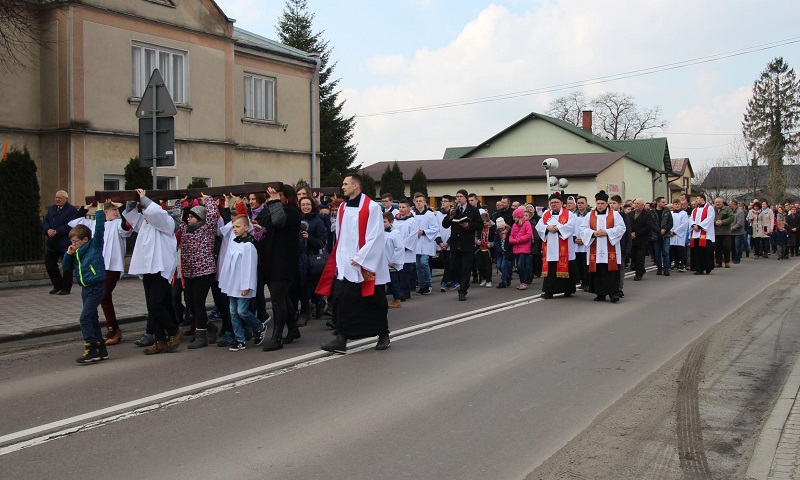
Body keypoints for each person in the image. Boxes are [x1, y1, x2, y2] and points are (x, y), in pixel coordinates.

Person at [316, 174, 391, 353]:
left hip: (367, 262)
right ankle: (342, 338)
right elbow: (340, 235)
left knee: (374, 299)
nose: (342, 187)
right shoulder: (343, 206)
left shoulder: (372, 207)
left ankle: (383, 334)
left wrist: (361, 257)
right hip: (347, 263)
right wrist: (339, 260)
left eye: (345, 184)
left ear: (355, 186)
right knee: (341, 298)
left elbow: (376, 236)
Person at [124, 189, 182, 354]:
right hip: (147, 268)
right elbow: (131, 216)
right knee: (153, 305)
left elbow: (157, 214)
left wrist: (144, 199)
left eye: (146, 208)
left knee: (156, 304)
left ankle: (173, 331)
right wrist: (131, 200)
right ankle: (160, 340)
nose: (145, 211)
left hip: (161, 268)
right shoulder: (145, 223)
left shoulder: (167, 222)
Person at [68, 200, 133, 345]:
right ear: (105, 212)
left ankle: (113, 329)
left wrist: (121, 207)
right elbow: (74, 222)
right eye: (113, 209)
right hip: (96, 266)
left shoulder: (117, 224)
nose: (116, 212)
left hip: (112, 266)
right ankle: (102, 330)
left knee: (104, 295)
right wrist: (85, 208)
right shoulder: (94, 224)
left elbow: (126, 226)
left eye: (117, 210)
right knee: (95, 298)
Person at [63, 203, 109, 363]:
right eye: (71, 241)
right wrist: (69, 254)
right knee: (92, 318)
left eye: (75, 241)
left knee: (85, 318)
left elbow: (100, 229)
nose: (73, 243)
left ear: (85, 240)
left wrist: (99, 210)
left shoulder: (94, 246)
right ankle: (101, 349)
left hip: (96, 286)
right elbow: (66, 268)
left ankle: (91, 348)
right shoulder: (76, 253)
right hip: (85, 288)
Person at [259, 184, 302, 351]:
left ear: (288, 197)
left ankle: (277, 338)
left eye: (279, 195)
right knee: (283, 298)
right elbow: (263, 220)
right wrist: (272, 203)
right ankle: (293, 329)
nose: (275, 198)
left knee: (277, 301)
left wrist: (275, 202)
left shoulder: (292, 213)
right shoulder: (273, 209)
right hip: (271, 262)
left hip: (284, 264)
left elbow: (278, 221)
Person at [218, 213, 266, 351]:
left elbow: (249, 267)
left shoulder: (248, 245)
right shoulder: (233, 242)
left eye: (238, 226)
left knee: (242, 311)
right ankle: (239, 339)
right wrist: (224, 281)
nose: (235, 229)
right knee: (233, 311)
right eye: (233, 227)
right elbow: (227, 263)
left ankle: (259, 326)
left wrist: (246, 285)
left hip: (242, 284)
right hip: (232, 283)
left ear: (246, 227)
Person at [178, 193, 220, 349]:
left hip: (204, 271)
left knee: (198, 303)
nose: (188, 219)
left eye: (192, 216)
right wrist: (180, 204)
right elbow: (177, 219)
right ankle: (209, 327)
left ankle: (201, 335)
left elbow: (213, 215)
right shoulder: (185, 229)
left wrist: (207, 200)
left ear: (200, 217)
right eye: (188, 216)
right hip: (189, 272)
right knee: (189, 302)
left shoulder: (207, 228)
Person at [578, 191, 626, 303]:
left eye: (602, 203)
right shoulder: (589, 215)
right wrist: (593, 233)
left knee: (611, 272)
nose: (600, 206)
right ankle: (600, 294)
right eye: (598, 203)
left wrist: (607, 232)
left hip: (610, 248)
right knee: (598, 271)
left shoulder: (615, 215)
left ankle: (613, 293)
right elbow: (582, 229)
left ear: (607, 203)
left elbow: (621, 228)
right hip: (595, 248)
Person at [442, 189, 482, 301]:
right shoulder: (453, 210)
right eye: (457, 197)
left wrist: (468, 225)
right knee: (453, 267)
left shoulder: (473, 210)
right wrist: (450, 217)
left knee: (466, 269)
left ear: (465, 198)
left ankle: (462, 291)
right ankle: (461, 282)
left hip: (467, 244)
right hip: (455, 244)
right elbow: (445, 224)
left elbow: (479, 224)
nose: (458, 199)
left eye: (461, 196)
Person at [536, 193, 578, 299]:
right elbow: (539, 226)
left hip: (565, 246)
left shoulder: (569, 214)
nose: (554, 204)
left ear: (562, 203)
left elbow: (571, 226)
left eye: (556, 202)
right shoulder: (546, 214)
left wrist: (558, 228)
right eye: (552, 202)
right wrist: (547, 227)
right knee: (551, 270)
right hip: (550, 247)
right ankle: (549, 291)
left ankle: (568, 290)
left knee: (567, 267)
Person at [42, 190, 78, 295]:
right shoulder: (52, 208)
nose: (57, 199)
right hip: (53, 242)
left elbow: (71, 225)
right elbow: (45, 221)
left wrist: (57, 231)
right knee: (49, 264)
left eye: (60, 198)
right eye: (56, 197)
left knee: (66, 265)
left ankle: (66, 288)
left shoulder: (71, 210)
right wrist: (48, 230)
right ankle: (57, 285)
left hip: (65, 242)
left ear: (66, 199)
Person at [412, 193, 439, 295]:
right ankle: (421, 285)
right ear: (414, 202)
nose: (418, 203)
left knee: (424, 262)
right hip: (416, 242)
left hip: (426, 242)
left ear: (424, 202)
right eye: (417, 201)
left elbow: (435, 228)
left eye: (420, 201)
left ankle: (428, 283)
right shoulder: (412, 214)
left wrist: (423, 232)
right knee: (418, 265)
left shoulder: (429, 214)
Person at [627, 198, 655, 281]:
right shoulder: (630, 214)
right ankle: (641, 269)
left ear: (642, 205)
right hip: (632, 240)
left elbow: (648, 226)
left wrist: (636, 233)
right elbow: (627, 225)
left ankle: (638, 273)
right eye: (635, 203)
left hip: (642, 239)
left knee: (640, 257)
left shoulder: (647, 214)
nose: (636, 205)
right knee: (633, 256)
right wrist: (630, 233)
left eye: (638, 203)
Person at [609, 195, 631, 298]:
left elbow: (627, 233)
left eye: (614, 203)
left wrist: (627, 248)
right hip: (610, 245)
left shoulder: (623, 216)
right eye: (611, 203)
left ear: (620, 205)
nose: (612, 205)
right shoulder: (607, 215)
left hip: (621, 245)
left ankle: (619, 288)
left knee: (620, 267)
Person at [689, 193, 716, 275]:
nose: (696, 200)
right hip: (696, 233)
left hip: (705, 233)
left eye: (697, 198)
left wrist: (700, 226)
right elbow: (690, 218)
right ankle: (699, 268)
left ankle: (708, 267)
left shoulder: (709, 208)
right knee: (697, 252)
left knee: (706, 251)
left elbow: (709, 218)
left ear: (702, 199)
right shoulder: (695, 210)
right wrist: (693, 225)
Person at [434, 194, 456, 292]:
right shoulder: (438, 215)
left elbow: (454, 230)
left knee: (452, 264)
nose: (443, 203)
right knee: (447, 264)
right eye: (442, 201)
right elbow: (436, 229)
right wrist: (440, 242)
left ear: (451, 203)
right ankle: (447, 281)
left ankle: (446, 281)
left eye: (445, 201)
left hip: (451, 243)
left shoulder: (454, 213)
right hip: (442, 244)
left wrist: (448, 242)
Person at [383, 212, 405, 308]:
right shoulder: (380, 232)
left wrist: (394, 260)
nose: (382, 224)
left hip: (391, 263)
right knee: (386, 282)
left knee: (393, 282)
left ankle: (397, 299)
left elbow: (399, 248)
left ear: (391, 222)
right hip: (383, 262)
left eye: (385, 222)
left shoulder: (395, 233)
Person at [509, 208, 532, 290]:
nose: (514, 218)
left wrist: (518, 240)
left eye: (515, 217)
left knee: (520, 265)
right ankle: (523, 281)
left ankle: (524, 282)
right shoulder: (514, 225)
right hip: (516, 248)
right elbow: (511, 236)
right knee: (520, 266)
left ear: (519, 216)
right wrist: (513, 240)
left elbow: (529, 235)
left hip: (524, 248)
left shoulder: (527, 224)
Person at [650, 196, 674, 276]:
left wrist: (665, 229)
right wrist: (658, 230)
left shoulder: (667, 211)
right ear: (658, 203)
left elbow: (670, 222)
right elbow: (651, 224)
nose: (665, 203)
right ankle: (659, 268)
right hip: (656, 235)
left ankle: (666, 269)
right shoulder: (652, 212)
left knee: (666, 252)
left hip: (666, 234)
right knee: (657, 253)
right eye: (663, 202)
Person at [572, 196, 591, 289]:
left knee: (586, 264)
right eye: (578, 203)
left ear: (586, 204)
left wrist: (585, 239)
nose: (580, 205)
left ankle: (587, 283)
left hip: (586, 244)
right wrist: (574, 238)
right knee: (578, 264)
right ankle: (581, 281)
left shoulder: (590, 215)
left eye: (582, 203)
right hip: (576, 243)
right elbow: (570, 228)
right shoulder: (573, 215)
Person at [474, 212, 496, 288]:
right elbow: (475, 236)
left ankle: (488, 280)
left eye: (486, 221)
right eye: (483, 222)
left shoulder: (493, 228)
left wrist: (491, 244)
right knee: (480, 265)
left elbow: (496, 240)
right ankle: (483, 278)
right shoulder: (478, 228)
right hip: (479, 249)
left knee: (488, 266)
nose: (485, 223)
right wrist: (477, 241)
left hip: (488, 250)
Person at [713, 197, 734, 268]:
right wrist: (715, 222)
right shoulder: (712, 210)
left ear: (722, 202)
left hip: (726, 232)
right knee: (717, 248)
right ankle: (718, 262)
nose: (717, 203)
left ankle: (727, 261)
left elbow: (731, 218)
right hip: (716, 232)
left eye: (719, 202)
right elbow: (709, 218)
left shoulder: (727, 209)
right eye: (716, 202)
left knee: (726, 247)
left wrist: (722, 222)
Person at [669, 199, 689, 271]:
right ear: (673, 205)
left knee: (680, 250)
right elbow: (668, 223)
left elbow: (684, 224)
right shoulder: (670, 213)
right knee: (672, 250)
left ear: (680, 205)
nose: (677, 206)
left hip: (680, 235)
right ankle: (675, 263)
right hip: (671, 234)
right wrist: (670, 231)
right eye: (675, 204)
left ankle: (682, 264)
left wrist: (675, 232)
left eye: (678, 204)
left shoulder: (683, 213)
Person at [494, 217, 514, 288]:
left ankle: (503, 281)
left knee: (503, 266)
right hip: (500, 251)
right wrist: (500, 249)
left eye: (502, 227)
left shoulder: (509, 231)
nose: (501, 229)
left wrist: (506, 248)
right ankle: (507, 277)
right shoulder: (496, 232)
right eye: (499, 228)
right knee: (499, 265)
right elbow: (496, 241)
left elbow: (511, 241)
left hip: (507, 251)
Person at [729, 200, 746, 264]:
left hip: (738, 232)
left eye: (731, 204)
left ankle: (737, 258)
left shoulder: (740, 212)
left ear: (734, 204)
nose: (730, 205)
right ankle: (733, 257)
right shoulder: (730, 212)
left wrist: (732, 228)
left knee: (737, 246)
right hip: (731, 232)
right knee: (732, 246)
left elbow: (740, 223)